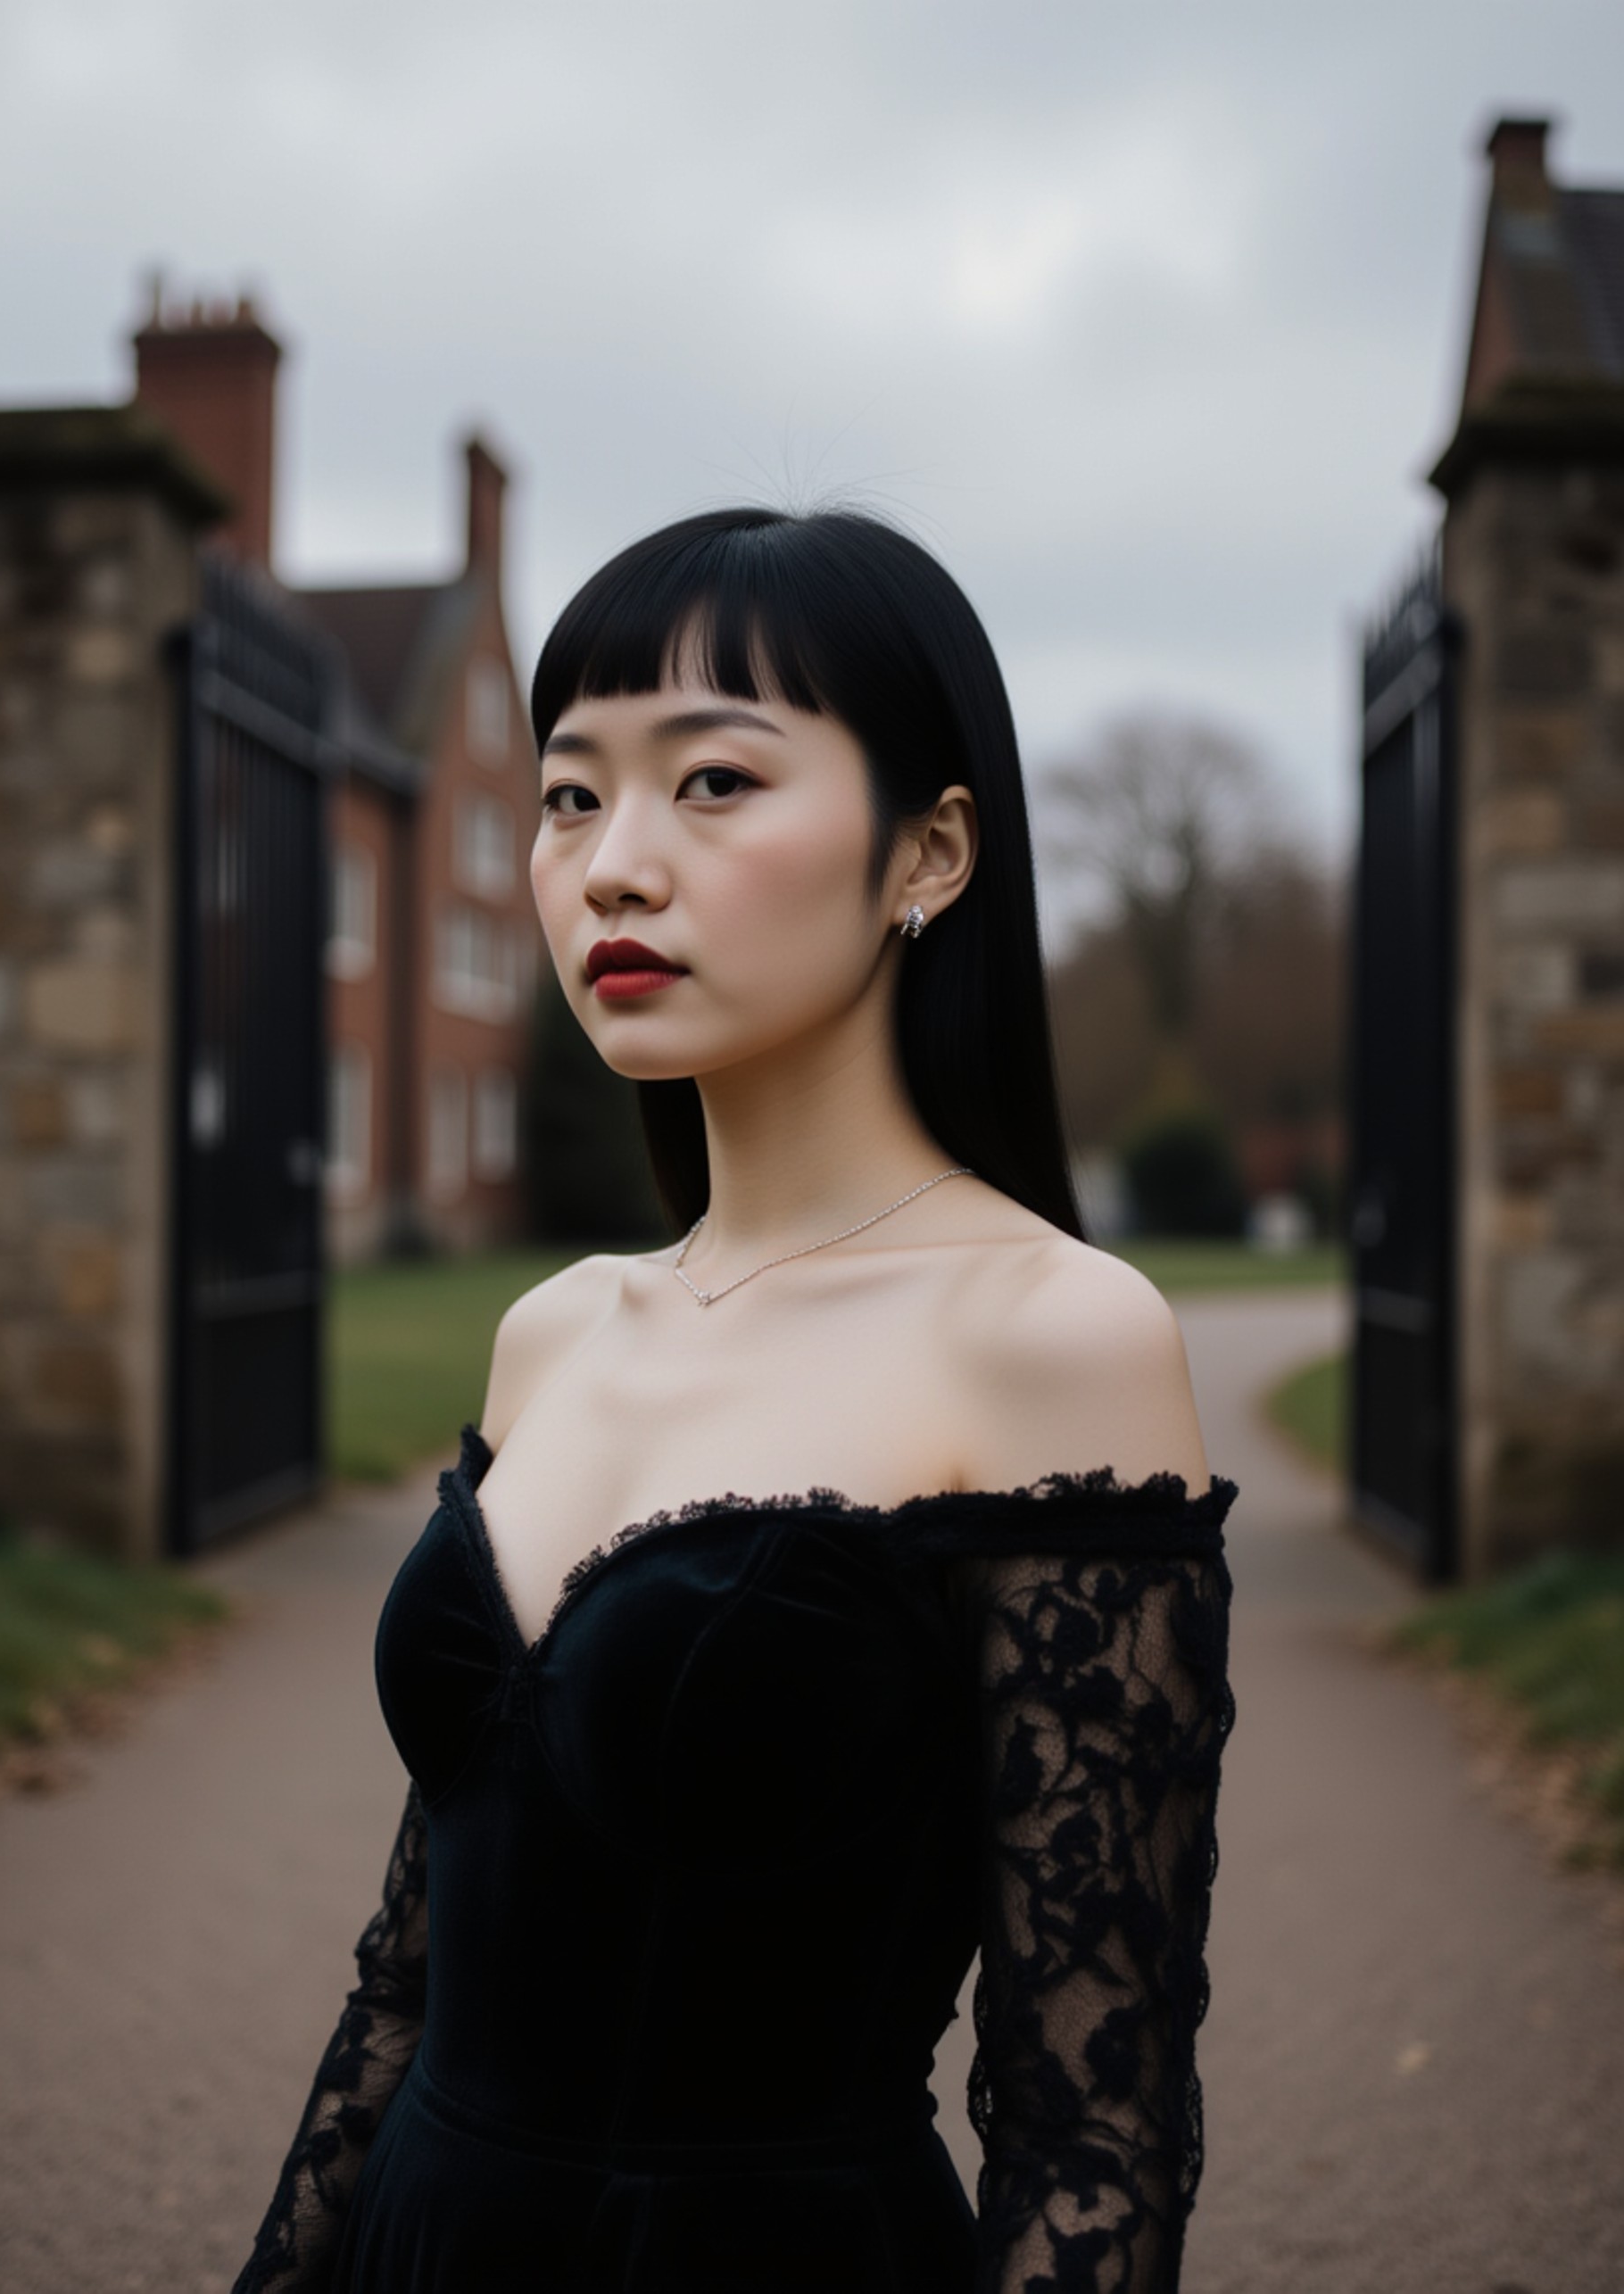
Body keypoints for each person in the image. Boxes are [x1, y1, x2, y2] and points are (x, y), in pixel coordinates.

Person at [229, 507, 1237, 2294]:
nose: (611, 866)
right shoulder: (553, 1328)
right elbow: (411, 1970)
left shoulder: (1053, 1337)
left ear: (927, 851)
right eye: (566, 795)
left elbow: (1091, 2116)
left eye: (711, 782)